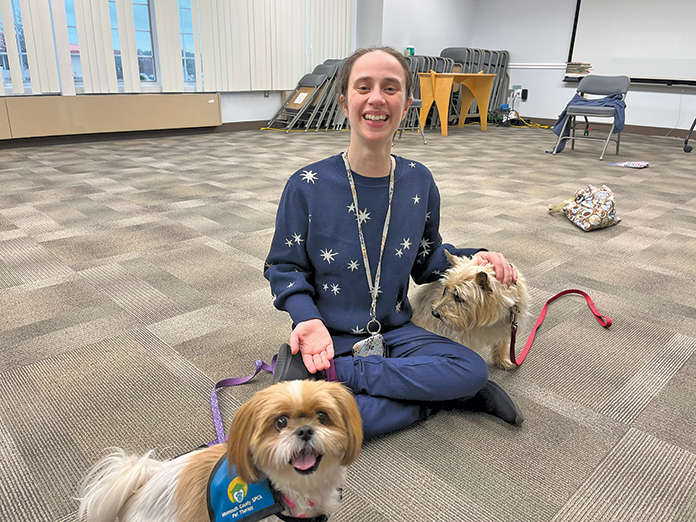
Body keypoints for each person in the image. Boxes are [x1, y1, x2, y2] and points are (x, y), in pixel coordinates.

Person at [264, 46, 523, 440]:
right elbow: (284, 268)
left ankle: (337, 378)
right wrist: (308, 320)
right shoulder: (306, 185)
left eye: (391, 88)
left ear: (406, 106)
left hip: (393, 332)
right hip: (329, 335)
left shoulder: (419, 181)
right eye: (363, 87)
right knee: (302, 430)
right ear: (344, 102)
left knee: (470, 368)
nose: (376, 99)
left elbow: (426, 261)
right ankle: (437, 396)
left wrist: (476, 256)